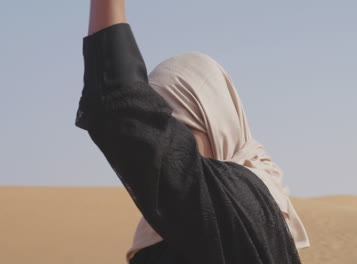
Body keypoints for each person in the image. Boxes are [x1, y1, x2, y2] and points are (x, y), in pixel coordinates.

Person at [77, 1, 309, 263]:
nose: (167, 140)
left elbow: (122, 108)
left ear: (216, 124)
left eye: (179, 127)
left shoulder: (238, 199)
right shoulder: (191, 211)